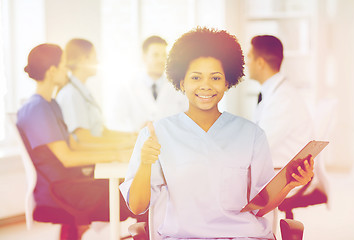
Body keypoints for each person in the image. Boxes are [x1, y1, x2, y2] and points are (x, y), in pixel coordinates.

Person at [120, 27, 314, 240]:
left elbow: (259, 207)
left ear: (227, 82)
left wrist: (289, 185)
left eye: (215, 78)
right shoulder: (156, 134)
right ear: (182, 82)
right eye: (195, 78)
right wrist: (145, 164)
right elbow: (137, 208)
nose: (205, 86)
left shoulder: (251, 134)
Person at [17, 44, 140, 240]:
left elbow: (75, 146)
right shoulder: (37, 109)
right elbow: (67, 157)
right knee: (138, 197)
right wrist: (117, 155)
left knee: (133, 188)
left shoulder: (50, 104)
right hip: (60, 191)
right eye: (64, 65)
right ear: (52, 71)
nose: (68, 70)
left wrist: (120, 149)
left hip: (69, 183)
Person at [247, 35, 328, 219]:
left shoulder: (282, 98)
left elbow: (258, 147)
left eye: (249, 57)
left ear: (260, 63)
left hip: (285, 176)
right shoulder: (274, 92)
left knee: (232, 192)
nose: (246, 62)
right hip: (276, 168)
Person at [56, 38, 137, 149]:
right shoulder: (71, 94)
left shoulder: (82, 91)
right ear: (83, 60)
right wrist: (122, 144)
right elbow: (83, 139)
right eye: (94, 57)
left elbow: (101, 131)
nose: (98, 62)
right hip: (88, 158)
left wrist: (130, 136)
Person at [109, 35, 188, 132]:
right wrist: (136, 130)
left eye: (164, 55)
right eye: (155, 55)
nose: (161, 60)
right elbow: (116, 122)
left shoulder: (178, 87)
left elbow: (188, 121)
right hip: (138, 144)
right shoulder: (128, 88)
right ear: (144, 57)